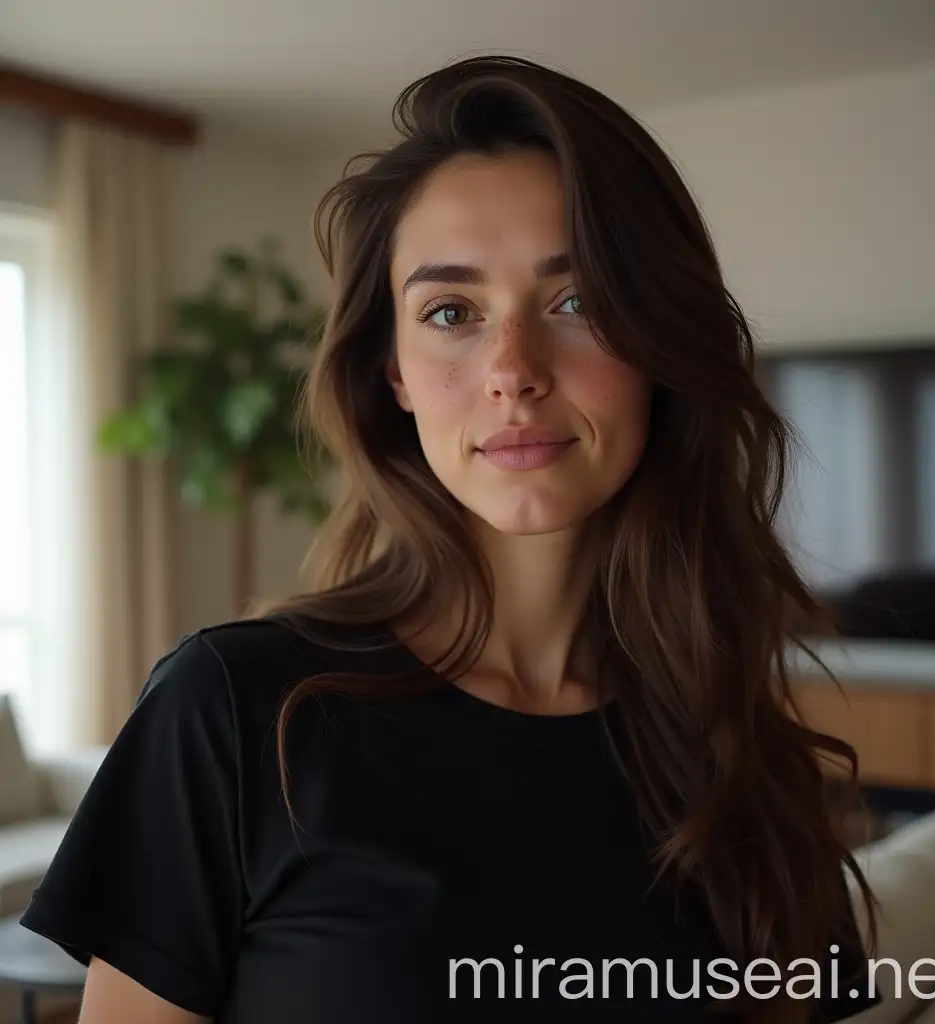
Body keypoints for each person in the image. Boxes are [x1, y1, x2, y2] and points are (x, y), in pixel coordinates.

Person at [20, 55, 882, 1023]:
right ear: (390, 372)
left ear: (660, 347)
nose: (513, 370)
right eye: (450, 313)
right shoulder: (234, 709)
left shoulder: (737, 749)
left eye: (576, 301)